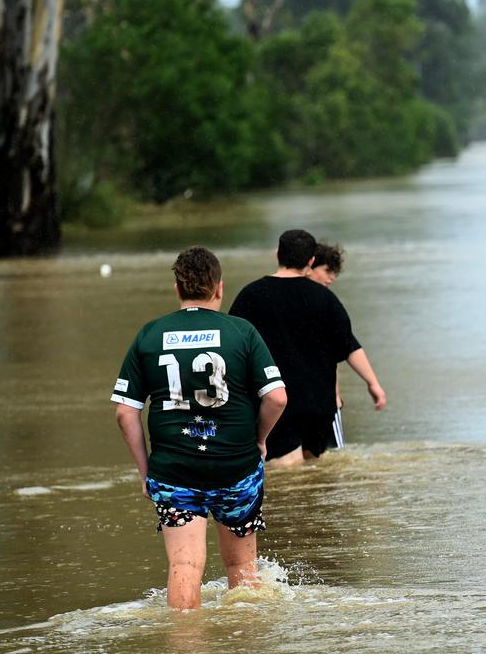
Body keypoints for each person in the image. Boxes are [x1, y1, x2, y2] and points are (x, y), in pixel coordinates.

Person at [111, 246, 287, 610]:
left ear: (177, 288)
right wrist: (258, 440)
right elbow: (277, 398)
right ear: (219, 288)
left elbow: (125, 412)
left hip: (174, 472)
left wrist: (146, 472)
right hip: (236, 467)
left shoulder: (150, 334)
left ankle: (184, 643)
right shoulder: (242, 331)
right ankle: (242, 641)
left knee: (184, 565)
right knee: (241, 566)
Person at [229, 229, 386, 467]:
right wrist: (373, 383)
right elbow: (349, 346)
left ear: (278, 254)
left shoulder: (250, 295)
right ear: (311, 260)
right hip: (319, 404)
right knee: (318, 468)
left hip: (274, 401)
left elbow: (232, 349)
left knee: (284, 469)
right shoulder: (325, 298)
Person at [307, 241, 349, 447]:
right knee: (333, 456)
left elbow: (331, 354)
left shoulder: (323, 301)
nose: (331, 278)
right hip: (319, 400)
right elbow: (344, 349)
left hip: (315, 396)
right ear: (310, 265)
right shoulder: (325, 302)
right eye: (327, 271)